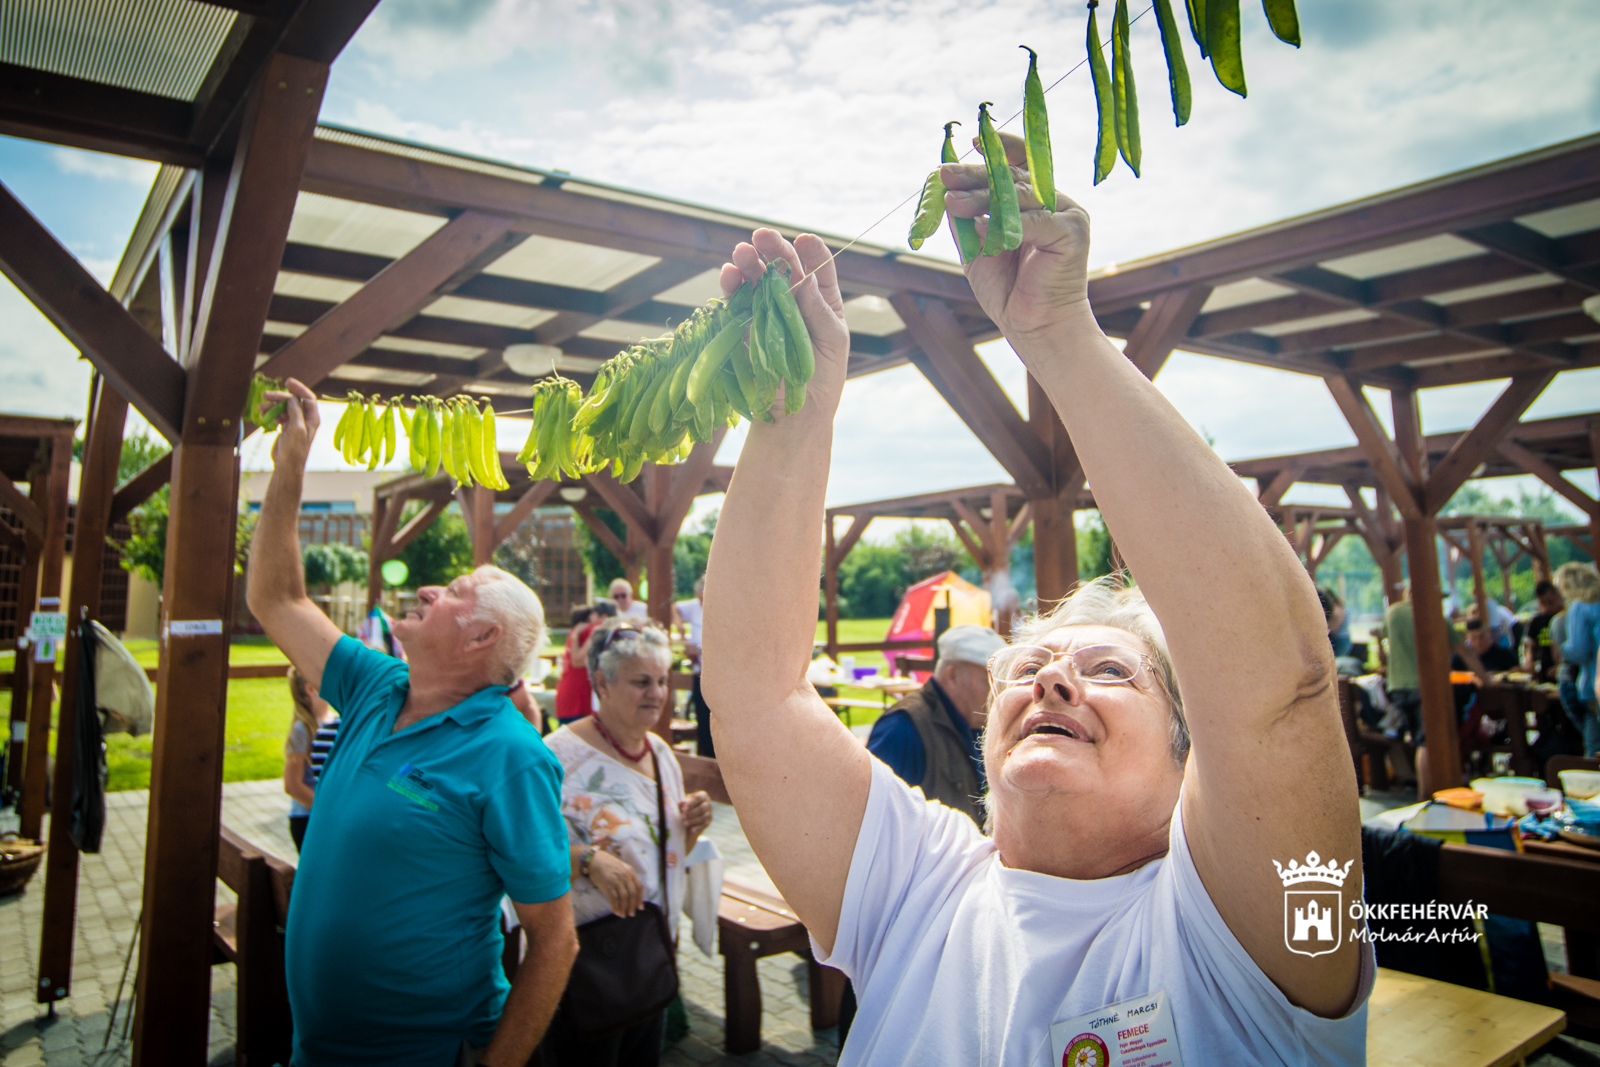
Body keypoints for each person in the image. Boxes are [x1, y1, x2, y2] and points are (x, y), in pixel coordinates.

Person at [700, 146, 1371, 1064]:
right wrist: (792, 412)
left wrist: (1060, 334)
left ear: (1192, 756)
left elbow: (1277, 683)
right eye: (1025, 669)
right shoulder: (918, 886)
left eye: (1107, 670)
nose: (1052, 675)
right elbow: (755, 693)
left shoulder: (1252, 931)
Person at [248, 379, 578, 1067]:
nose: (431, 588)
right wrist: (290, 467)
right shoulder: (373, 681)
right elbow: (277, 598)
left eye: (453, 592)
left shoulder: (510, 755)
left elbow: (555, 939)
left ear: (482, 638)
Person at [542, 618, 713, 1066]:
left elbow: (669, 858)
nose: (656, 693)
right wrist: (587, 859)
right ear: (602, 682)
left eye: (661, 680)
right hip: (580, 967)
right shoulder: (557, 756)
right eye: (641, 682)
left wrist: (691, 827)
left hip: (646, 958)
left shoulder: (659, 754)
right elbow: (520, 852)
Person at [865, 625, 1005, 826]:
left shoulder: (973, 723)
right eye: (988, 682)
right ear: (952, 675)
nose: (996, 694)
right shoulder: (902, 728)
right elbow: (873, 818)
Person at [1383, 583, 1488, 798]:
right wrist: (1487, 679)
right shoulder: (1435, 616)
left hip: (1397, 686)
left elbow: (1386, 648)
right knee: (1428, 743)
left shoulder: (1392, 613)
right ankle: (1426, 798)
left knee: (1418, 739)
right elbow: (1465, 652)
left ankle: (1427, 792)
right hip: (1423, 687)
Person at [282, 666, 339, 850]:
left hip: (332, 816)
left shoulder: (335, 721)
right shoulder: (303, 729)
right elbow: (292, 785)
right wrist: (324, 810)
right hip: (308, 819)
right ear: (311, 688)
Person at [1556, 562, 1600, 756]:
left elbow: (1578, 650)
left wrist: (1563, 648)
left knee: (1594, 748)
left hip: (1592, 682)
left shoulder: (1578, 608)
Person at [556, 601, 616, 724]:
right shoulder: (596, 629)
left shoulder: (578, 630)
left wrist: (576, 635)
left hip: (568, 695)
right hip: (579, 700)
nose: (591, 618)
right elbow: (577, 661)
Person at [675, 577, 715, 757]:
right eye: (698, 598)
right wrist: (678, 626)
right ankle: (705, 756)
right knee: (702, 721)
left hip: (717, 675)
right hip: (700, 672)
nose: (700, 602)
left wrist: (698, 649)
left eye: (703, 598)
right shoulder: (694, 606)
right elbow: (674, 608)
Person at [1523, 580, 1564, 683]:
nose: (1547, 607)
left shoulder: (1565, 618)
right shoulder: (1538, 621)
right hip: (1545, 674)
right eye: (1543, 603)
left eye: (1550, 602)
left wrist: (1560, 666)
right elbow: (1531, 646)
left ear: (1558, 596)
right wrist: (1529, 661)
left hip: (1567, 672)